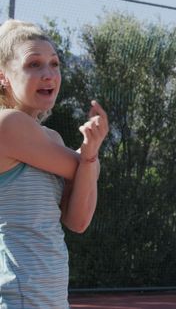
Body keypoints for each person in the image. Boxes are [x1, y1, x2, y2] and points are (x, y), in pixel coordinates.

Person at [0, 19, 109, 307]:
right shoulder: (8, 124)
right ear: (3, 76)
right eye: (33, 64)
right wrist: (89, 156)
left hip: (49, 294)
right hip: (16, 295)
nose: (48, 74)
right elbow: (83, 168)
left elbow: (78, 221)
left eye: (54, 64)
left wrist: (90, 154)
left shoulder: (51, 139)